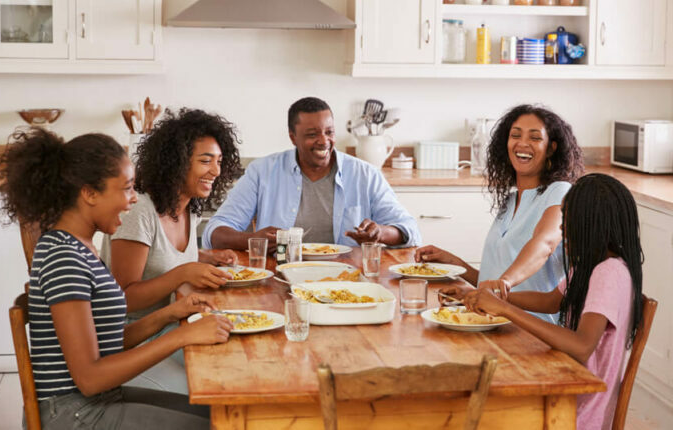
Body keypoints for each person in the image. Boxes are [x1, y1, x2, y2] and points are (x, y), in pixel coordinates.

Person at [0, 128, 232, 429]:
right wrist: (182, 335)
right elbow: (90, 378)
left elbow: (106, 342)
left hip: (98, 402)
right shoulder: (63, 257)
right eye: (126, 188)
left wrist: (171, 313)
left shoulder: (81, 247)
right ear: (89, 193)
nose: (134, 199)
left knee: (220, 413)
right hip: (75, 415)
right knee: (218, 425)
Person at [463, 173, 643, 430]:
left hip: (578, 412)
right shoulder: (591, 264)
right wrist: (498, 296)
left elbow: (581, 346)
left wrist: (505, 309)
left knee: (483, 412)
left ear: (592, 225)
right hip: (567, 389)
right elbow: (551, 302)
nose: (563, 231)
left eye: (568, 223)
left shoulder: (609, 273)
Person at [416, 104, 584, 323]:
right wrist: (455, 264)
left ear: (551, 148)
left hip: (534, 330)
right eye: (515, 135)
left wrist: (505, 281)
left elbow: (545, 244)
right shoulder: (511, 200)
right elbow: (495, 285)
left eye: (535, 138)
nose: (522, 143)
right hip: (496, 322)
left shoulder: (560, 191)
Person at [202, 96, 421, 251]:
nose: (324, 141)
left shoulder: (365, 174)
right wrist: (252, 239)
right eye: (312, 134)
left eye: (329, 132)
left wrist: (380, 233)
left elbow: (410, 230)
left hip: (349, 279)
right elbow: (214, 232)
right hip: (281, 276)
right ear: (292, 137)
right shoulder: (262, 172)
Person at [103, 108, 242, 322]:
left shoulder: (189, 206)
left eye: (219, 161)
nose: (216, 171)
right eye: (205, 161)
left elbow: (159, 257)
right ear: (177, 163)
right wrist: (184, 273)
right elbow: (124, 299)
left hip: (174, 320)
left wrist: (206, 258)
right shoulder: (139, 210)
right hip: (133, 334)